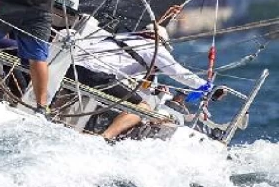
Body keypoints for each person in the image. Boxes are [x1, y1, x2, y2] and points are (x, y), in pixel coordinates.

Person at [69, 22, 211, 139]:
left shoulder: (122, 35)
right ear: (161, 41)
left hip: (71, 68)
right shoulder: (155, 48)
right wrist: (205, 86)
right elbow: (178, 72)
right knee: (143, 108)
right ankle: (104, 137)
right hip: (95, 76)